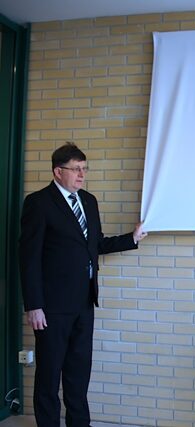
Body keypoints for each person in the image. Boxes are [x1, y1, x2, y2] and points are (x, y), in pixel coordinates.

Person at [19, 142, 148, 427]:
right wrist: (34, 305)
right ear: (58, 171)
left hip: (84, 302)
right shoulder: (39, 203)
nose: (81, 174)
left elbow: (95, 244)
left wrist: (131, 238)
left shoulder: (89, 201)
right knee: (49, 376)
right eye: (76, 169)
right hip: (51, 307)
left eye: (84, 169)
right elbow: (29, 258)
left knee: (78, 374)